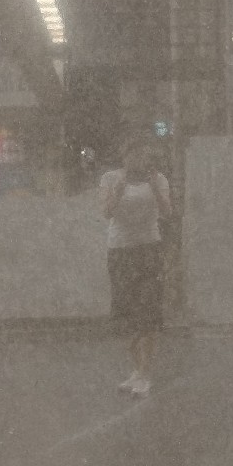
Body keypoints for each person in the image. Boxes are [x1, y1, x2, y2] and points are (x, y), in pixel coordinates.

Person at [99, 139, 171, 397]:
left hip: (148, 249)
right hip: (120, 250)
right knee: (126, 313)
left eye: (143, 155)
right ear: (124, 156)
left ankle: (145, 372)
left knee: (148, 310)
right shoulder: (111, 178)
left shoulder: (158, 179)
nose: (138, 160)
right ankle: (136, 370)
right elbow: (106, 212)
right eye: (133, 155)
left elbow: (167, 212)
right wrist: (118, 191)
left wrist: (154, 188)